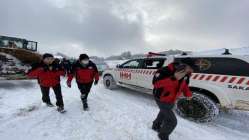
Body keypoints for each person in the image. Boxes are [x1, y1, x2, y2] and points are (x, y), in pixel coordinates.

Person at [152, 58, 196, 140]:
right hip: (161, 98)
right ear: (183, 65)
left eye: (192, 69)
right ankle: (163, 135)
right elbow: (156, 84)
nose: (191, 71)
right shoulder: (164, 71)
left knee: (163, 112)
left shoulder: (186, 73)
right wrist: (173, 78)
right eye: (190, 68)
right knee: (172, 121)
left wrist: (188, 94)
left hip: (172, 99)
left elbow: (184, 85)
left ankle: (156, 125)